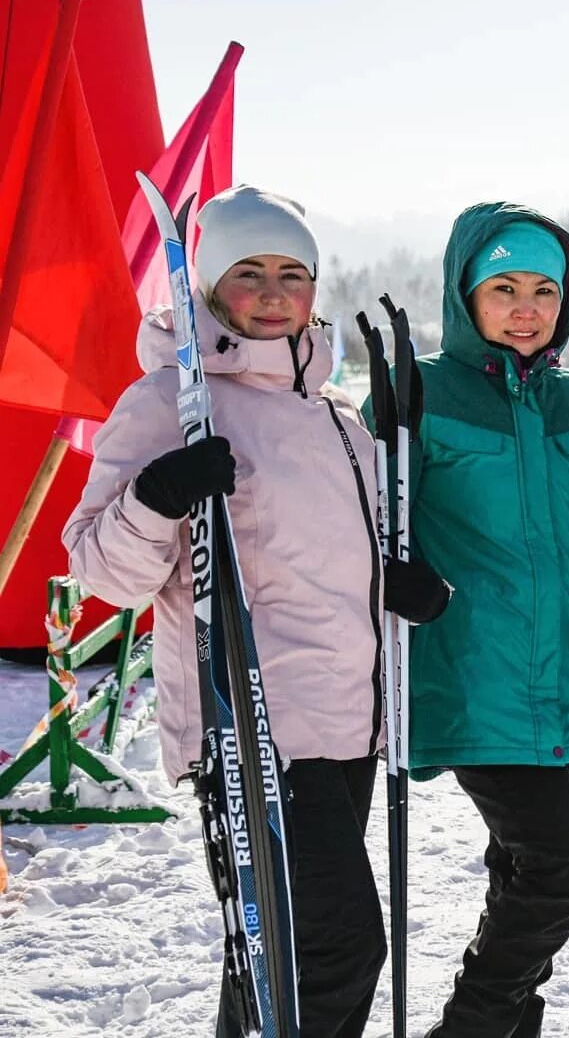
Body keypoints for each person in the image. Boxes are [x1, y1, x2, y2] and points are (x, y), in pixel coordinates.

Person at [63, 184, 451, 1037]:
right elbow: (100, 567)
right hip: (252, 731)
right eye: (249, 273)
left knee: (270, 963)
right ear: (204, 284)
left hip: (352, 726)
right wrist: (154, 499)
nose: (274, 293)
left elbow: (341, 550)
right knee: (336, 950)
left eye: (293, 274)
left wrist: (397, 580)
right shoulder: (168, 401)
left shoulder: (339, 418)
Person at [397, 202, 569, 1038]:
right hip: (471, 675)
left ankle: (509, 1027)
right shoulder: (418, 392)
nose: (526, 308)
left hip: (565, 679)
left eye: (545, 290)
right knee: (560, 869)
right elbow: (368, 522)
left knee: (519, 873)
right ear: (464, 293)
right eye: (504, 286)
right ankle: (468, 1027)